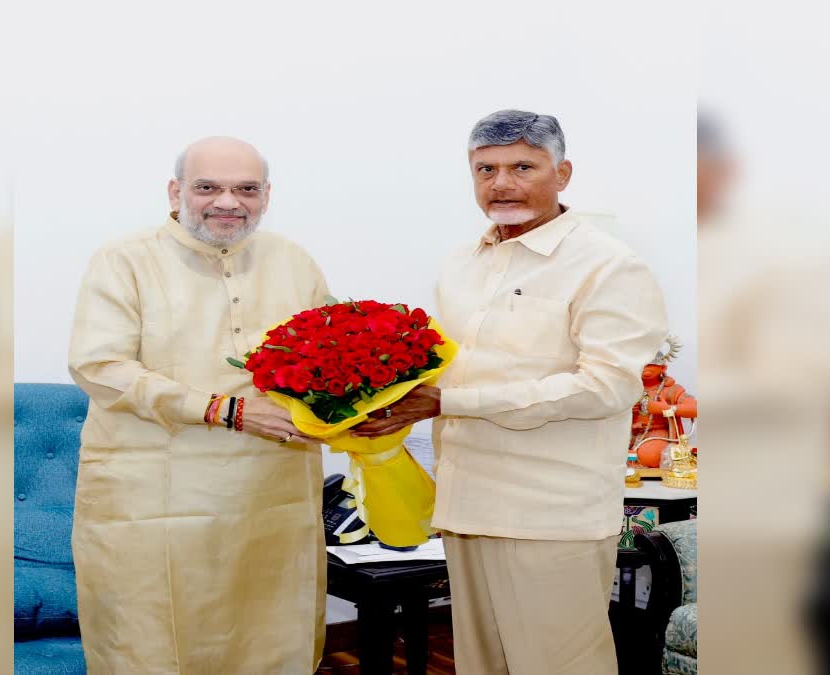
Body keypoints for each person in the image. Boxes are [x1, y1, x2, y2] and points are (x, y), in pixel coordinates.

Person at [352, 110, 668, 674]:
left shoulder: (609, 265)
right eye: (486, 169)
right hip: (466, 502)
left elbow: (605, 387)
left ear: (563, 172)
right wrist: (373, 397)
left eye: (523, 166)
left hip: (551, 513)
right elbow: (445, 370)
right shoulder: (460, 264)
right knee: (481, 665)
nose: (502, 184)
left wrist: (449, 403)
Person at [68, 136, 328, 673]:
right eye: (207, 187)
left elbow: (328, 358)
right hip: (151, 499)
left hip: (269, 494)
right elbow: (100, 366)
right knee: (151, 640)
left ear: (266, 195)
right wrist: (224, 410)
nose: (227, 202)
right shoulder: (125, 260)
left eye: (245, 189)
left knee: (270, 633)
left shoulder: (294, 262)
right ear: (176, 190)